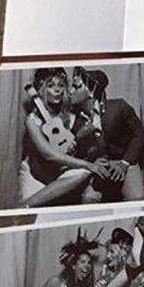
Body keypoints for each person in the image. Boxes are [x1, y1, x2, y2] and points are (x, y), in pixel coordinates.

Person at [16, 68, 106, 206]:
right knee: (28, 213)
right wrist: (89, 165)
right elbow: (49, 154)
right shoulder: (32, 120)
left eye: (61, 85)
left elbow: (86, 149)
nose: (57, 90)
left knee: (84, 174)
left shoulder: (73, 115)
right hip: (36, 175)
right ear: (41, 90)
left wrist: (93, 158)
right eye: (51, 86)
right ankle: (24, 207)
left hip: (62, 175)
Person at [68, 67, 144, 202]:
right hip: (97, 168)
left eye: (76, 87)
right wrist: (91, 162)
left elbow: (139, 135)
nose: (70, 91)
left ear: (91, 92)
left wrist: (124, 163)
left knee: (136, 198)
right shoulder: (74, 120)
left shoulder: (119, 107)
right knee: (88, 198)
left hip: (125, 162)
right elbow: (76, 154)